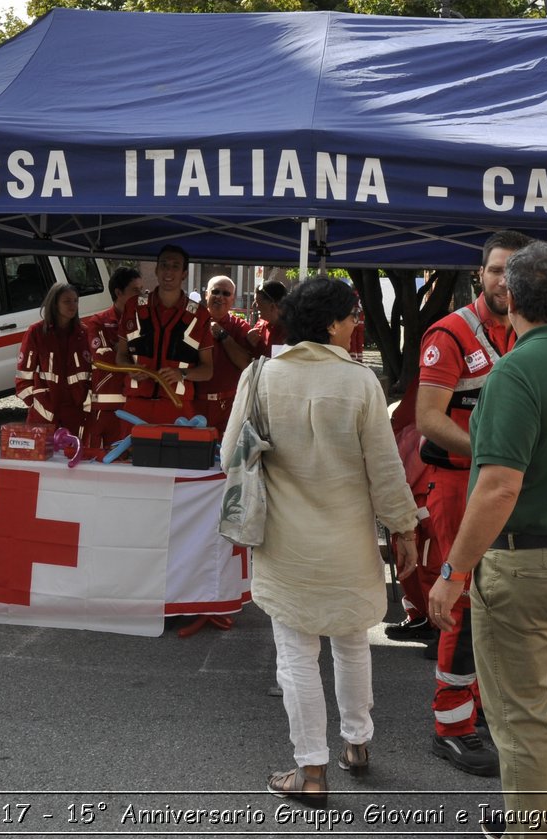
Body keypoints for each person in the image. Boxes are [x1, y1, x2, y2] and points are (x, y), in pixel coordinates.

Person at [427, 241, 547, 839]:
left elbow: (497, 489)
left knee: (519, 719)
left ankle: (531, 831)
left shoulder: (515, 372)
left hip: (526, 564)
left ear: (512, 297)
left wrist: (453, 572)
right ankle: (536, 822)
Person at [223, 276, 420, 808]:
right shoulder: (361, 383)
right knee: (354, 642)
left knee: (296, 656)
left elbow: (230, 458)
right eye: (353, 315)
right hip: (349, 541)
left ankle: (311, 771)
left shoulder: (260, 376)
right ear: (332, 323)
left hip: (284, 542)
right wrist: (404, 529)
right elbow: (385, 471)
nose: (357, 323)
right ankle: (357, 745)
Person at [411, 230, 530, 777]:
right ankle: (451, 727)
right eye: (496, 270)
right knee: (461, 598)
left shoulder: (532, 332)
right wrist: (492, 452)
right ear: (480, 274)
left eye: (514, 270)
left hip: (506, 485)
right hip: (459, 482)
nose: (504, 280)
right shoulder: (451, 332)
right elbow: (428, 418)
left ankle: (473, 708)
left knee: (497, 598)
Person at [116, 244, 214, 425]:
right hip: (135, 406)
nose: (169, 271)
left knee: (172, 454)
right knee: (130, 454)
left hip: (177, 409)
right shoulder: (133, 306)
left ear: (184, 273)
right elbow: (120, 356)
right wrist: (130, 369)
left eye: (175, 266)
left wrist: (182, 374)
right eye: (164, 265)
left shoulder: (200, 315)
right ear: (156, 269)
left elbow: (207, 370)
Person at [15, 282, 93, 435]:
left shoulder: (84, 334)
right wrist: (36, 404)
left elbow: (93, 374)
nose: (73, 305)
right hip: (43, 416)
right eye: (67, 301)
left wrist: (87, 405)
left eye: (75, 300)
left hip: (75, 416)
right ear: (54, 304)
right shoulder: (36, 333)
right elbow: (22, 378)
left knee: (74, 457)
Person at [81, 265, 143, 448]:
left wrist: (121, 348)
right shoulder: (99, 321)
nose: (140, 296)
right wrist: (133, 352)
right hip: (106, 408)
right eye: (134, 291)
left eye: (142, 290)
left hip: (136, 405)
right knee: (102, 460)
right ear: (118, 292)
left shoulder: (145, 321)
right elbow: (103, 358)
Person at [195, 274, 258, 429]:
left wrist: (223, 335)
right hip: (194, 405)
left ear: (233, 298)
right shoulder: (192, 322)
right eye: (215, 292)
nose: (220, 297)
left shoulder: (240, 326)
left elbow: (246, 364)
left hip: (229, 407)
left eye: (226, 293)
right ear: (206, 295)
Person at [249, 280, 288, 356]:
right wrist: (249, 343)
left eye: (257, 302)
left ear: (272, 306)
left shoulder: (295, 332)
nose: (254, 306)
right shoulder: (260, 324)